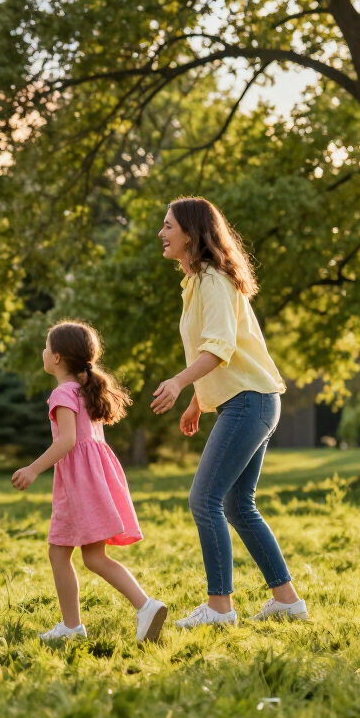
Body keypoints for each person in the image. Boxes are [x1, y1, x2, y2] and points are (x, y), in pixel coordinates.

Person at [151, 196, 308, 628]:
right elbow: (224, 351)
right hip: (249, 401)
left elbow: (218, 349)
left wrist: (181, 381)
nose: (161, 234)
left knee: (205, 500)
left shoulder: (213, 281)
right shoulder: (198, 282)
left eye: (168, 226)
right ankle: (287, 601)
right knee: (239, 506)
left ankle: (219, 608)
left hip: (249, 402)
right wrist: (198, 402)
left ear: (190, 232)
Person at [11, 320, 168, 643]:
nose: (43, 351)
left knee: (62, 554)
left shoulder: (62, 393)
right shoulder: (86, 391)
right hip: (96, 481)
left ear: (56, 358)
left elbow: (67, 441)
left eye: (46, 346)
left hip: (79, 487)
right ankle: (142, 606)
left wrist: (33, 468)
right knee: (91, 557)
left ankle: (77, 626)